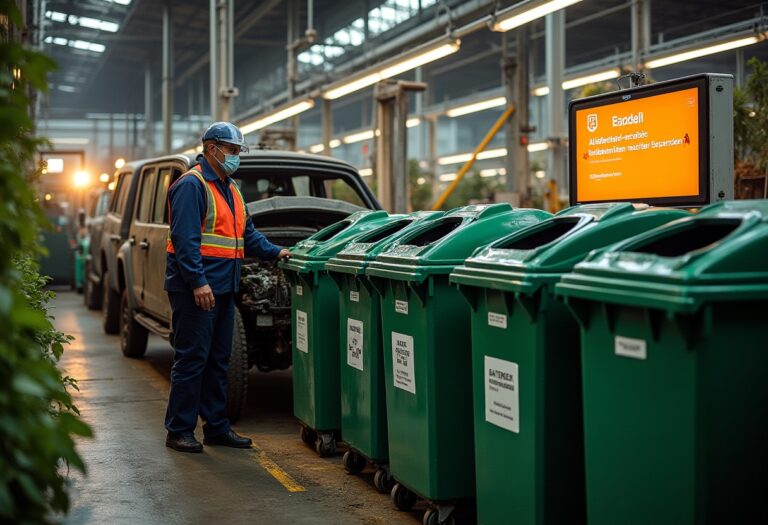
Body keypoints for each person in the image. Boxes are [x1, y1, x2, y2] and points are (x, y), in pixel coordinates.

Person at [164, 121, 290, 453]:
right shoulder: (191, 185)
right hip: (197, 289)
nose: (235, 157)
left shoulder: (231, 188)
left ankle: (217, 428)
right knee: (192, 359)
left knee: (219, 359)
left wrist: (277, 252)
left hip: (224, 287)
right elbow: (185, 241)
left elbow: (247, 236)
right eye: (231, 150)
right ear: (211, 149)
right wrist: (198, 282)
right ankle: (179, 429)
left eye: (237, 151)